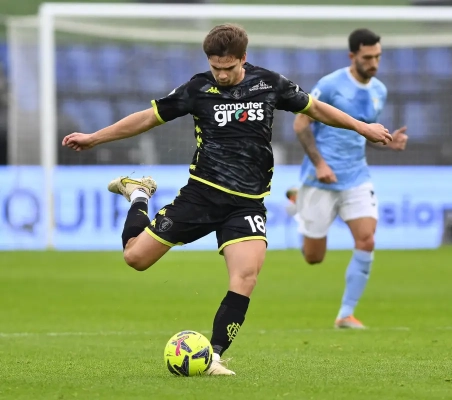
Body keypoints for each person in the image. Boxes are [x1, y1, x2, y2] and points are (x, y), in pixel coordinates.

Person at [62, 24, 393, 376]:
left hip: (248, 203)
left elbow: (317, 109)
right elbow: (148, 118)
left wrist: (363, 127)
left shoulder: (269, 84)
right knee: (135, 258)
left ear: (243, 58)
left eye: (228, 67)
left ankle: (214, 356)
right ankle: (139, 192)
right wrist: (94, 138)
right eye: (215, 67)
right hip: (202, 195)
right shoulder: (197, 88)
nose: (221, 75)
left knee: (246, 277)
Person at [286, 29, 408, 330]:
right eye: (368, 57)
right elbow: (300, 124)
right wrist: (320, 164)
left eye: (378, 57)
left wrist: (388, 141)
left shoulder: (379, 90)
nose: (374, 63)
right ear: (352, 56)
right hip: (321, 178)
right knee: (314, 257)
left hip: (356, 176)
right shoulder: (330, 85)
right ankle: (299, 203)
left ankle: (345, 314)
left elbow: (362, 131)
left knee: (367, 239)